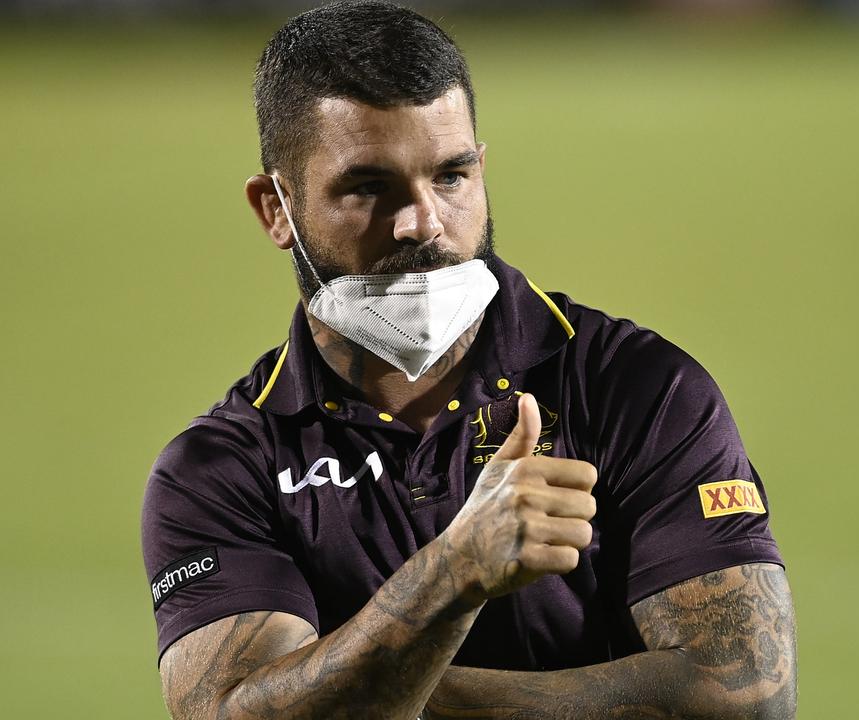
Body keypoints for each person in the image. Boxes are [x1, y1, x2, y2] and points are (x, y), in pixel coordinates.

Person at [140, 2, 796, 718]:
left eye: (450, 177)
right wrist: (452, 574)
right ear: (276, 209)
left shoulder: (638, 389)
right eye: (369, 187)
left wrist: (370, 690)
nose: (423, 221)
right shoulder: (221, 470)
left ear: (482, 169)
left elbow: (743, 697)